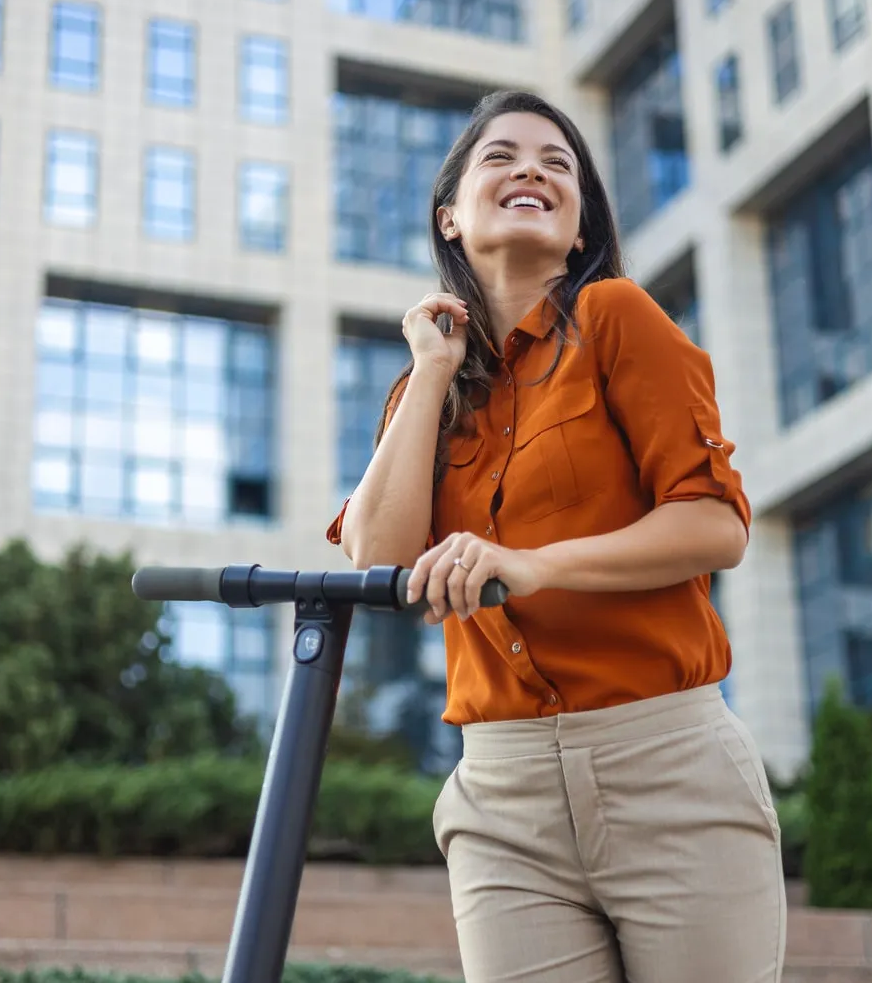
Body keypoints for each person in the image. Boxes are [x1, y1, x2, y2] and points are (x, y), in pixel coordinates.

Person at [325, 90, 786, 983]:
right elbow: (380, 558)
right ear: (449, 218)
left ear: (578, 231)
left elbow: (715, 524)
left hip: (667, 767)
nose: (531, 169)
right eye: (499, 156)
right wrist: (430, 371)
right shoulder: (427, 389)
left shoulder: (616, 317)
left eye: (557, 163)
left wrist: (532, 566)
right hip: (502, 795)